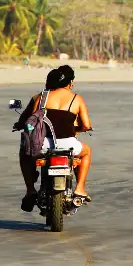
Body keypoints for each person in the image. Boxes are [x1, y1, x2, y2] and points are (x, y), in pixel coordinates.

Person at [13, 65, 93, 212]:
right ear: (70, 83)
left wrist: (20, 125)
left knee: (25, 152)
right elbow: (87, 126)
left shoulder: (41, 97)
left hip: (42, 145)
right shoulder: (77, 99)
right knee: (87, 152)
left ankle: (30, 190)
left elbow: (31, 120)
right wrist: (76, 129)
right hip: (68, 145)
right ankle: (80, 188)